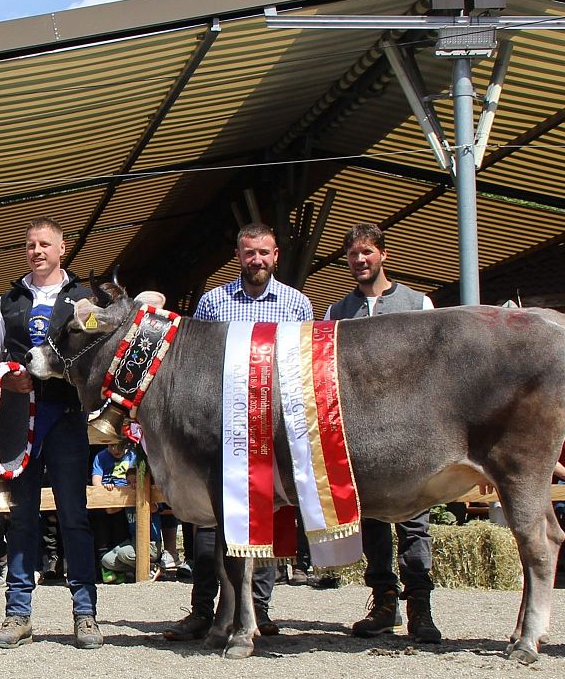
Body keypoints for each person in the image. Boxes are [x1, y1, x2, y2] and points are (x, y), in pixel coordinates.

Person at [165, 223, 312, 643]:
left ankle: (257, 609)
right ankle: (201, 610)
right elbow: (194, 364)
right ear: (239, 254)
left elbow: (305, 368)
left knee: (264, 516)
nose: (257, 260)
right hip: (218, 428)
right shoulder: (213, 303)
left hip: (273, 428)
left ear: (276, 255)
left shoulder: (296, 305)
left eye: (264, 253)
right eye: (250, 253)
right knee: (209, 524)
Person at [0, 218, 101, 650]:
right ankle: (18, 613)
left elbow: (100, 356)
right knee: (22, 517)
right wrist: (5, 379)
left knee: (74, 516)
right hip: (18, 420)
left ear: (62, 248)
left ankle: (85, 614)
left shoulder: (84, 300)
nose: (37, 251)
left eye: (45, 244)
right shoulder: (8, 300)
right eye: (30, 245)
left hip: (66, 417)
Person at [325, 223, 443, 644]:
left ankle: (421, 607)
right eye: (354, 254)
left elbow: (436, 367)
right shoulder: (337, 312)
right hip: (362, 431)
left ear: (383, 255)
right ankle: (384, 603)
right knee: (371, 518)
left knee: (414, 520)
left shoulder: (418, 303)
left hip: (411, 429)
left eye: (367, 252)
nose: (360, 260)